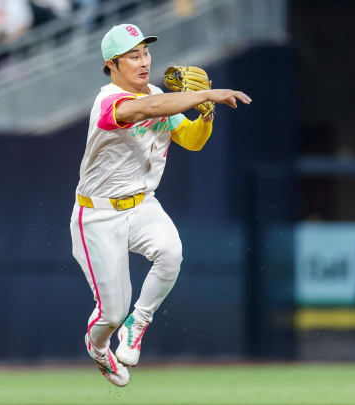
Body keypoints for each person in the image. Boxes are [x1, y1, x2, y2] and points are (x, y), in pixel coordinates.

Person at [69, 23, 251, 387]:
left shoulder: (158, 95)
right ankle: (98, 347)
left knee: (171, 253)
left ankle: (138, 324)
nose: (143, 61)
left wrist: (207, 113)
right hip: (98, 215)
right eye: (133, 56)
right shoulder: (108, 102)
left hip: (141, 205)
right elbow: (147, 108)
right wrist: (206, 95)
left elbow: (193, 141)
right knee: (111, 312)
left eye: (146, 53)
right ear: (112, 64)